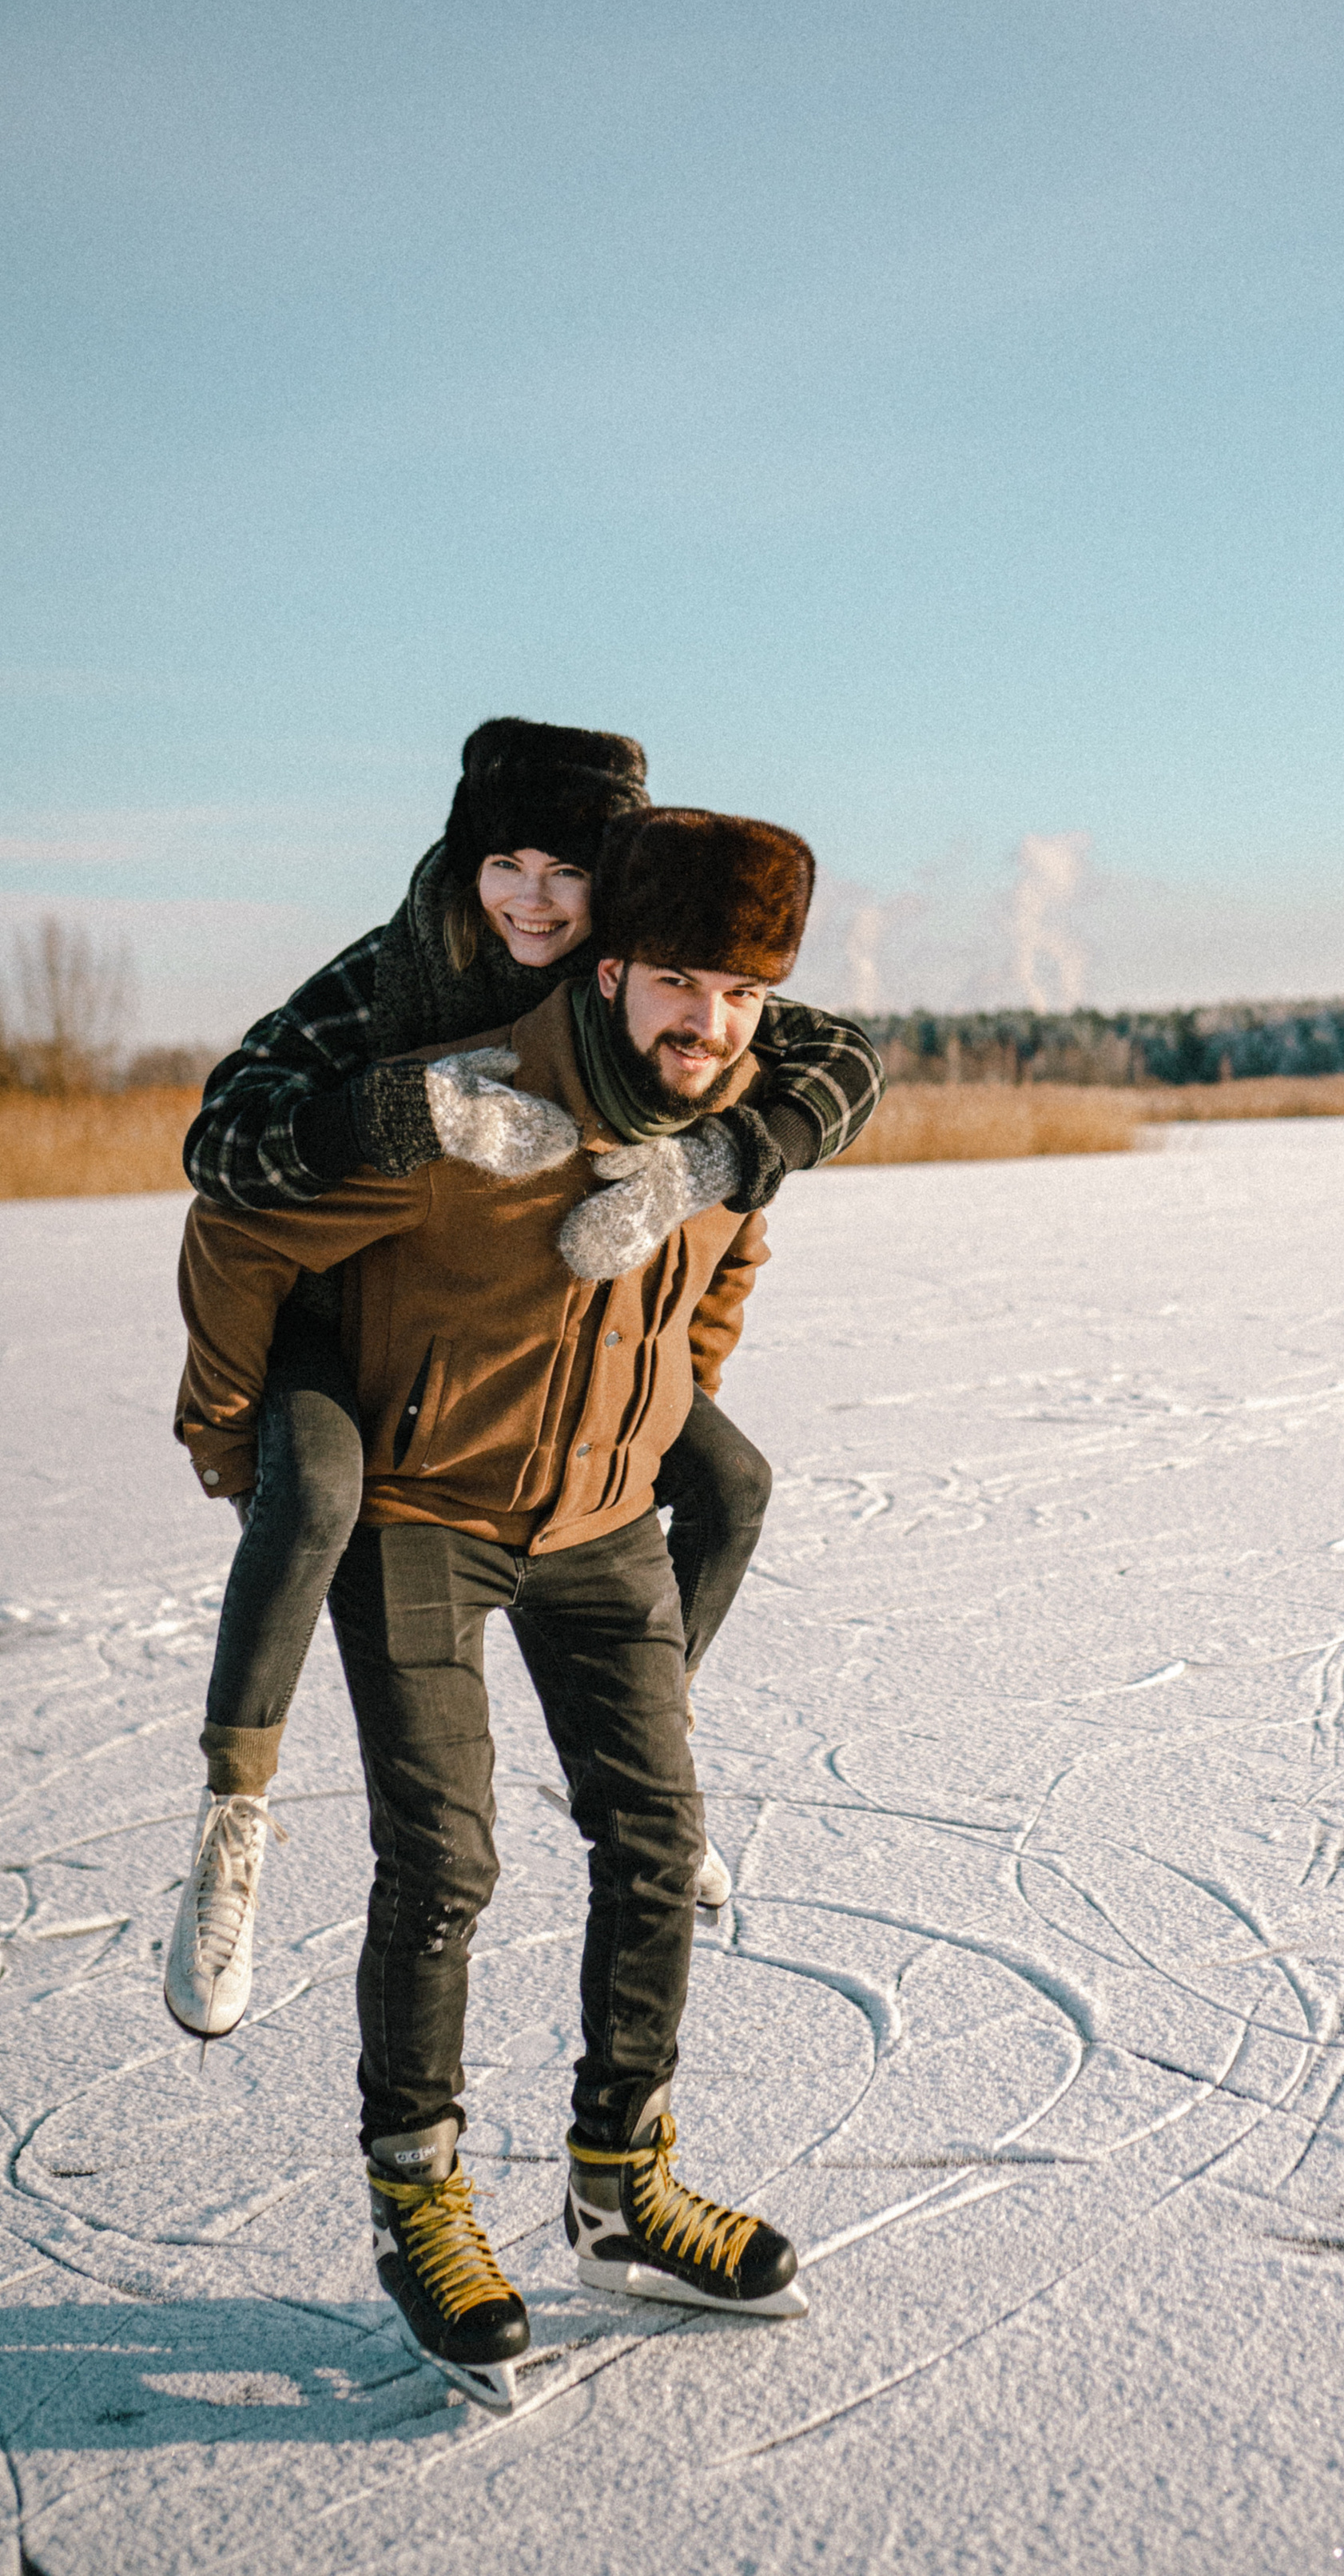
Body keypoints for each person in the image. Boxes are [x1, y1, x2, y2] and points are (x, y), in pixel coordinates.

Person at [174, 806, 821, 2407]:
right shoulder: (470, 1110)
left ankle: (621, 2188)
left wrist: (666, 1407)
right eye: (678, 980)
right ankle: (420, 2202)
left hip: (602, 1522)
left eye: (737, 994)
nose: (706, 1022)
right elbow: (236, 1229)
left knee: (659, 1843)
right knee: (446, 1861)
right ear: (608, 971)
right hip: (419, 1513)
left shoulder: (736, 1120)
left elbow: (721, 1273)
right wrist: (233, 1439)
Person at [165, 718, 883, 2039]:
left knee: (727, 1481)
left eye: (570, 870)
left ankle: (640, 1749)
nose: (535, 900)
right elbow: (222, 1149)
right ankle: (233, 1818)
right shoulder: (394, 974)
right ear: (466, 859)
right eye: (509, 864)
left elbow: (841, 1060)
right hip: (351, 1302)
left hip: (546, 1339)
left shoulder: (664, 986)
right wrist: (405, 1108)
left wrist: (717, 1170)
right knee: (318, 1489)